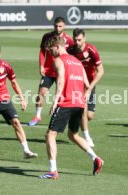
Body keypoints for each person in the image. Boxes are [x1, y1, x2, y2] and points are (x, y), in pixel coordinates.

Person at [39, 36, 103, 179]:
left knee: (50, 135)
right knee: (73, 135)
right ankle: (96, 158)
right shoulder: (78, 62)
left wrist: (55, 101)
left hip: (66, 103)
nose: (51, 54)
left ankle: (53, 171)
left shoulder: (59, 60)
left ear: (57, 46)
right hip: (79, 104)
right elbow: (87, 85)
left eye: (51, 51)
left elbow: (60, 80)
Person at [28, 16, 74, 126]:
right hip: (48, 71)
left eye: (60, 26)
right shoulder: (47, 36)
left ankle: (61, 117)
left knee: (62, 95)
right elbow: (42, 52)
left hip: (62, 71)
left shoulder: (69, 40)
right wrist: (41, 66)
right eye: (56, 26)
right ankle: (37, 116)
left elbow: (72, 55)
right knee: (41, 93)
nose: (57, 28)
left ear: (64, 26)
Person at [67, 28, 104, 147]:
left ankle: (74, 118)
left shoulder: (91, 50)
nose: (77, 42)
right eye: (75, 40)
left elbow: (101, 71)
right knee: (83, 106)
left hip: (90, 84)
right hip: (77, 83)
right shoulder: (70, 50)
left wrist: (89, 89)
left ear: (84, 38)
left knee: (89, 115)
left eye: (79, 40)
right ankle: (87, 136)